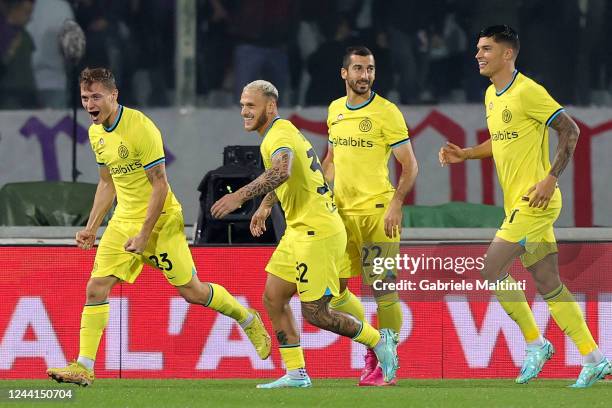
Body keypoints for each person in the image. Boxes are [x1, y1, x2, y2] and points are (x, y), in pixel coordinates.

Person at [46, 68, 271, 386]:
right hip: (124, 221)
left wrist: (144, 234)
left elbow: (160, 186)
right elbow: (107, 182)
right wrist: (92, 227)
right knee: (96, 288)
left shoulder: (140, 129)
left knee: (192, 292)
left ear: (114, 95)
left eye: (96, 96)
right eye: (85, 98)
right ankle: (84, 366)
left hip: (161, 222)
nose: (89, 104)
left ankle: (246, 318)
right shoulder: (96, 134)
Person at [439, 25, 611, 388]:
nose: (478, 55)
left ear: (507, 54)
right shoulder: (491, 95)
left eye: (486, 48)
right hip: (519, 204)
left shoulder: (528, 91)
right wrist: (468, 154)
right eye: (477, 48)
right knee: (548, 282)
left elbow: (571, 130)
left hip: (536, 201)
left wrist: (550, 178)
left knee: (488, 269)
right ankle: (594, 357)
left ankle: (536, 343)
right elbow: (501, 142)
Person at [211, 80, 399, 388]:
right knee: (274, 298)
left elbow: (281, 170)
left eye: (251, 106)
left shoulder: (279, 134)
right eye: (242, 105)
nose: (244, 111)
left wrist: (241, 197)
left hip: (318, 230)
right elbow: (292, 174)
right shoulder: (277, 133)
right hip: (300, 229)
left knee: (316, 313)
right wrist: (265, 206)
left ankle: (379, 343)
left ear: (270, 107)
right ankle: (296, 373)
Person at [321, 46, 418, 386]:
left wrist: (396, 204)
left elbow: (410, 165)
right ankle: (373, 344)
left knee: (383, 290)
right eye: (359, 69)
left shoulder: (387, 112)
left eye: (370, 69)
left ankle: (388, 364)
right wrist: (320, 195)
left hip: (378, 213)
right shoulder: (334, 110)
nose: (365, 76)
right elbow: (331, 160)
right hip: (341, 216)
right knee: (336, 290)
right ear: (344, 73)